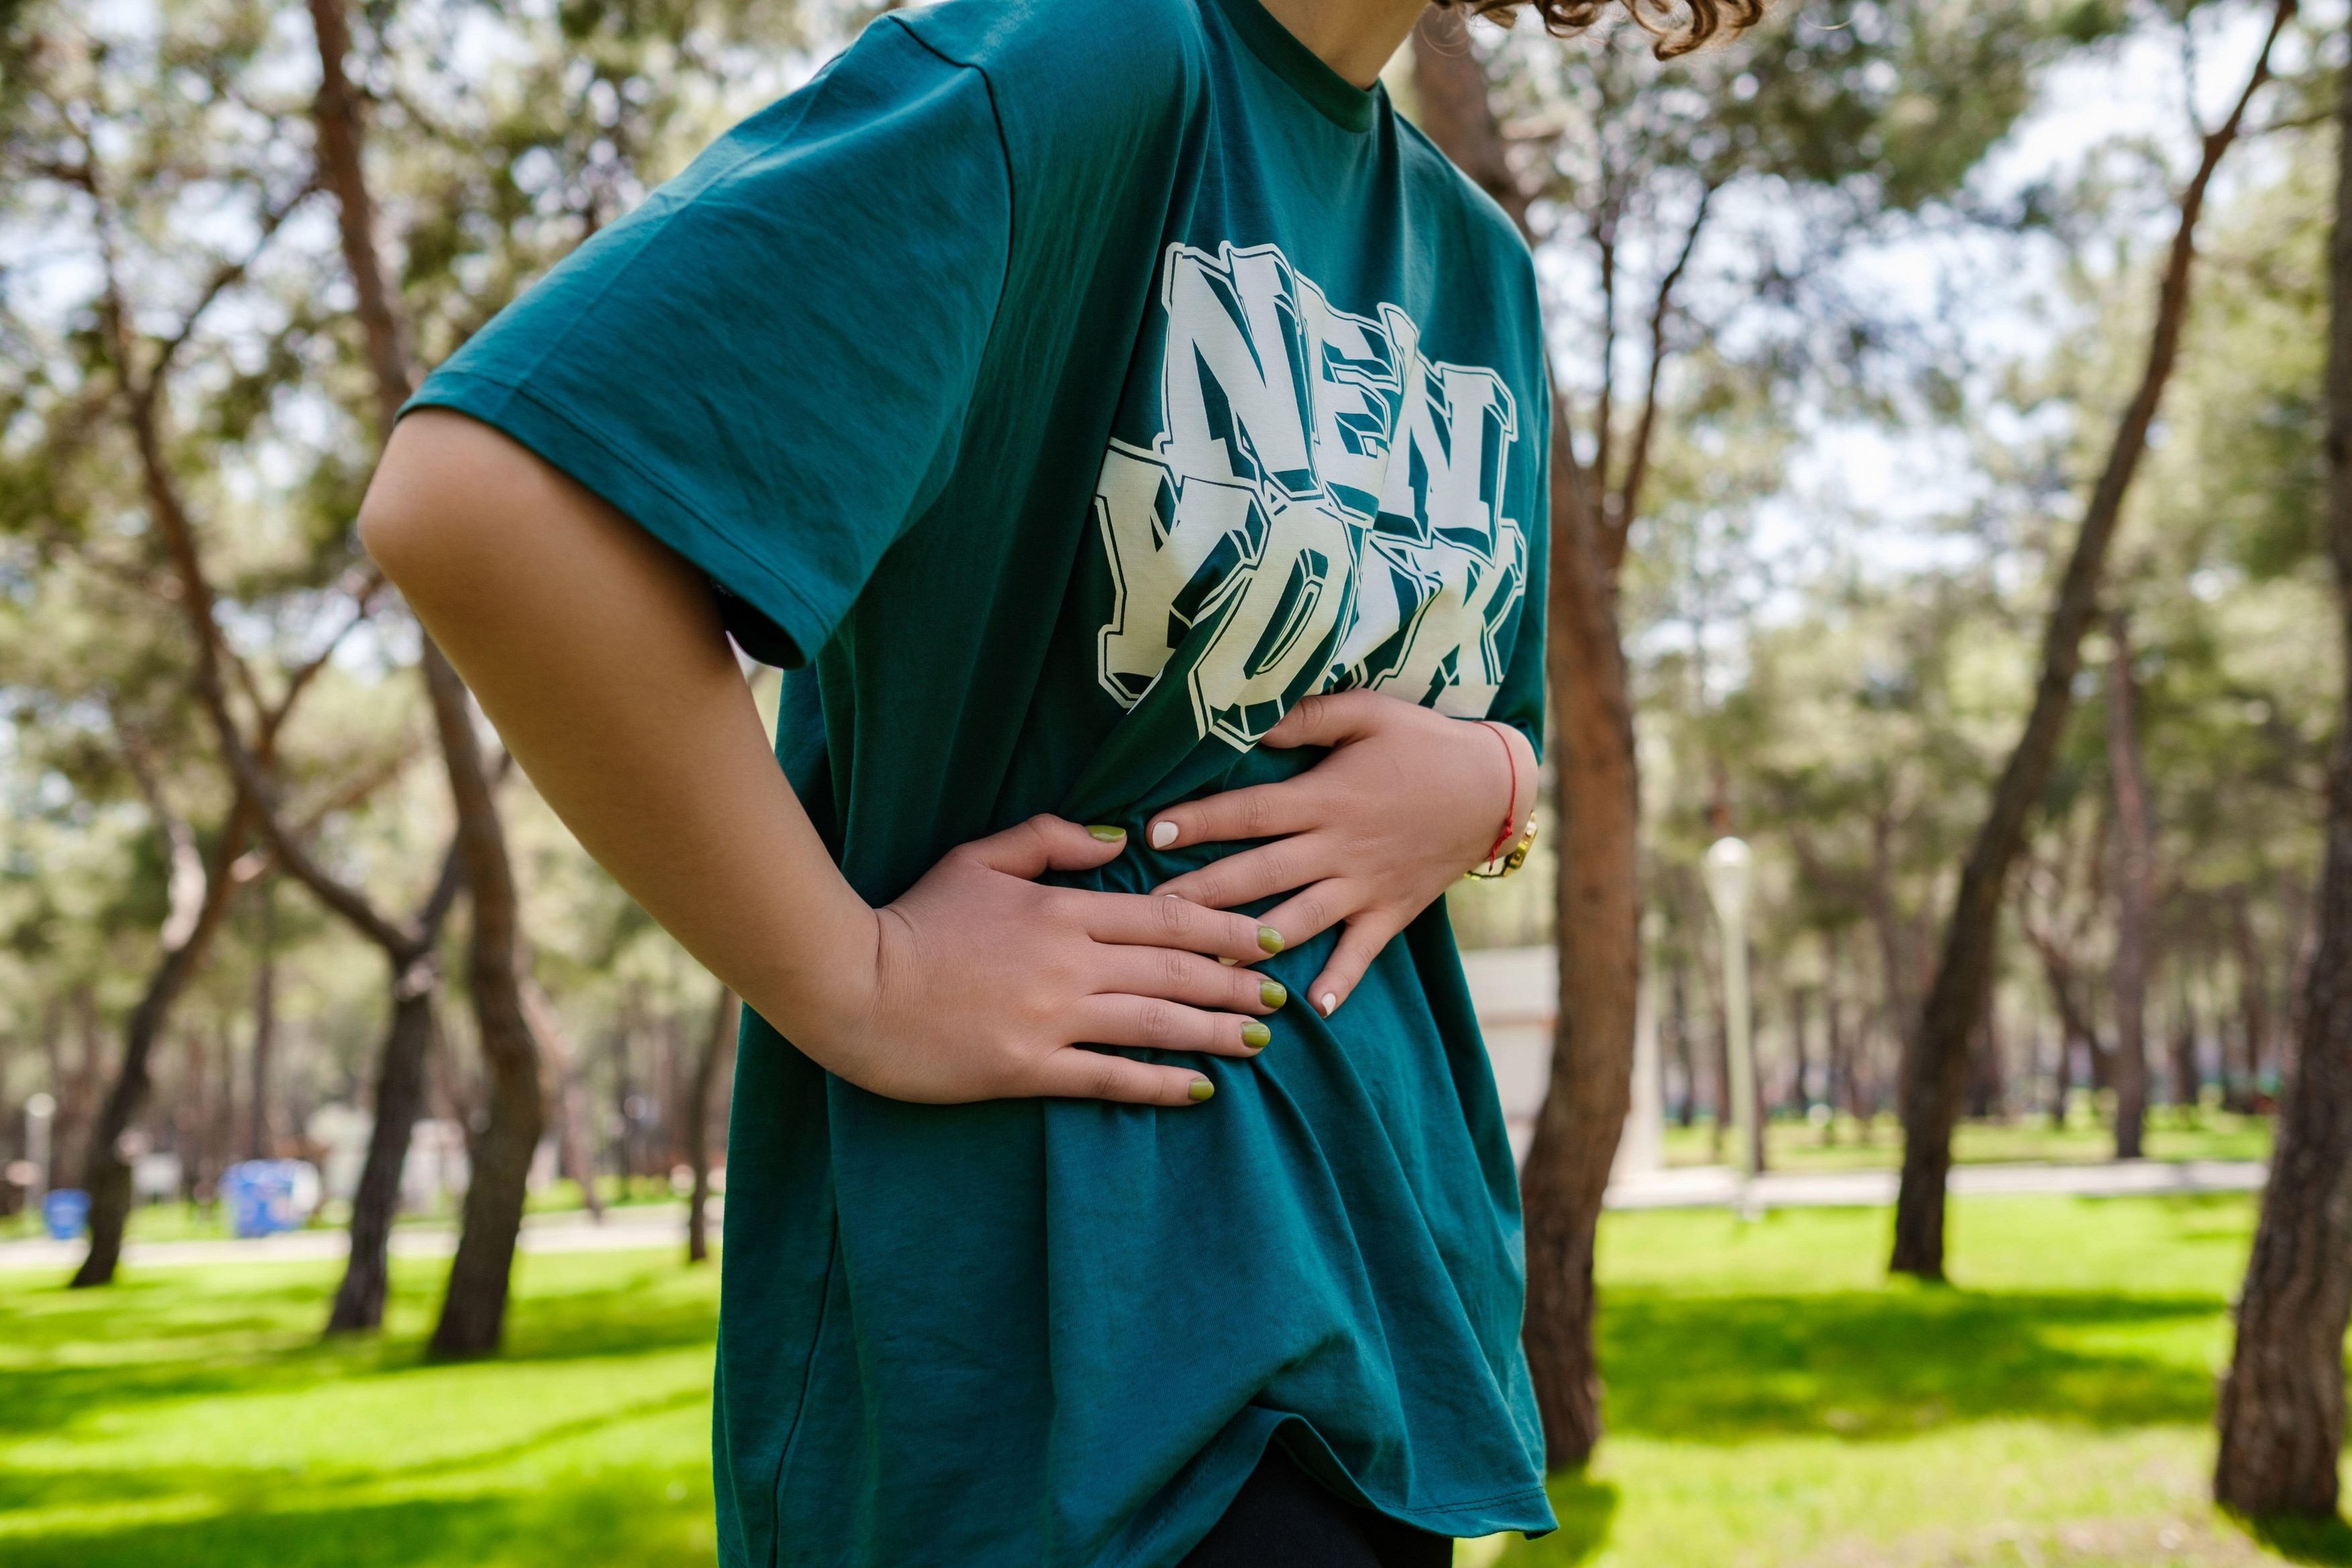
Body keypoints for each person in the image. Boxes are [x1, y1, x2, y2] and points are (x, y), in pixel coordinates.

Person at [359, 0, 1750, 1561]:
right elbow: (486, 502)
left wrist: (1493, 782)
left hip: (1383, 1324)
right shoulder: (1086, 60)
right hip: (1051, 1364)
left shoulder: (1470, 259)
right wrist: (862, 976)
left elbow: (1471, 725)